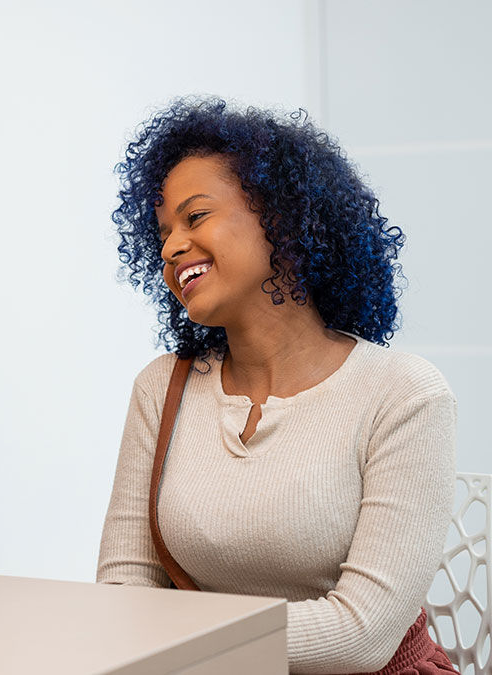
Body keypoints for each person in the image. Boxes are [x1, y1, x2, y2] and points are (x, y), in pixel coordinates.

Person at [96, 98, 458, 674]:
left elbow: (360, 636)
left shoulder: (404, 394)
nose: (169, 248)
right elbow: (124, 585)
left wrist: (181, 637)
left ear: (281, 218)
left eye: (194, 218)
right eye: (163, 233)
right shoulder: (160, 389)